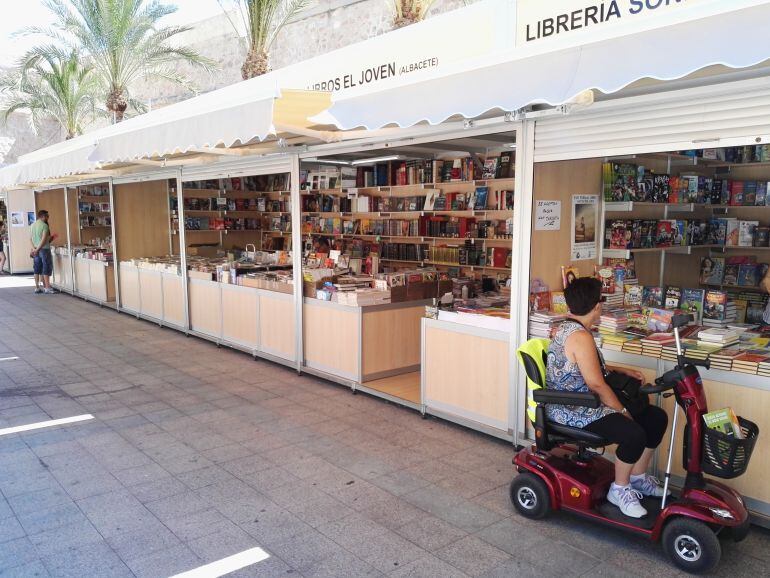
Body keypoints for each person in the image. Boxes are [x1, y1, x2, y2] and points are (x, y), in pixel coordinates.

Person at [545, 277, 669, 519]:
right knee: (634, 433)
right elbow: (596, 383)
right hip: (575, 407)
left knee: (655, 417)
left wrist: (620, 370)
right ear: (597, 306)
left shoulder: (570, 327)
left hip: (586, 401)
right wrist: (623, 412)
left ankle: (638, 477)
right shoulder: (580, 336)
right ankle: (619, 489)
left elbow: (585, 365)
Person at [30, 209, 54, 294]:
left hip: (35, 249)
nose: (48, 217)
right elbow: (44, 240)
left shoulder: (32, 225)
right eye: (47, 216)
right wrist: (38, 249)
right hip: (44, 249)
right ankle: (47, 287)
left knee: (36, 268)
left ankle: (37, 287)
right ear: (43, 216)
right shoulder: (44, 226)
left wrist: (34, 249)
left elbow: (30, 239)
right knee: (46, 267)